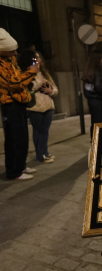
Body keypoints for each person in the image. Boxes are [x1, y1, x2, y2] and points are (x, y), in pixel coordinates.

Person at [0, 28, 39, 180]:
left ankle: (21, 166)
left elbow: (20, 78)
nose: (15, 54)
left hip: (20, 104)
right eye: (12, 51)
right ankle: (13, 172)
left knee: (22, 138)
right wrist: (31, 72)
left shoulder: (9, 60)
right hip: (10, 106)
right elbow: (13, 84)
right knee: (13, 139)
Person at [18, 50, 58, 163]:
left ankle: (45, 152)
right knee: (38, 131)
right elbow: (28, 88)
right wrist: (40, 83)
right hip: (35, 107)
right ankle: (40, 155)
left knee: (45, 131)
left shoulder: (45, 73)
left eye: (39, 57)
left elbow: (55, 89)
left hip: (49, 106)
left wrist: (51, 91)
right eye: (35, 58)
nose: (38, 59)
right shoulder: (27, 73)